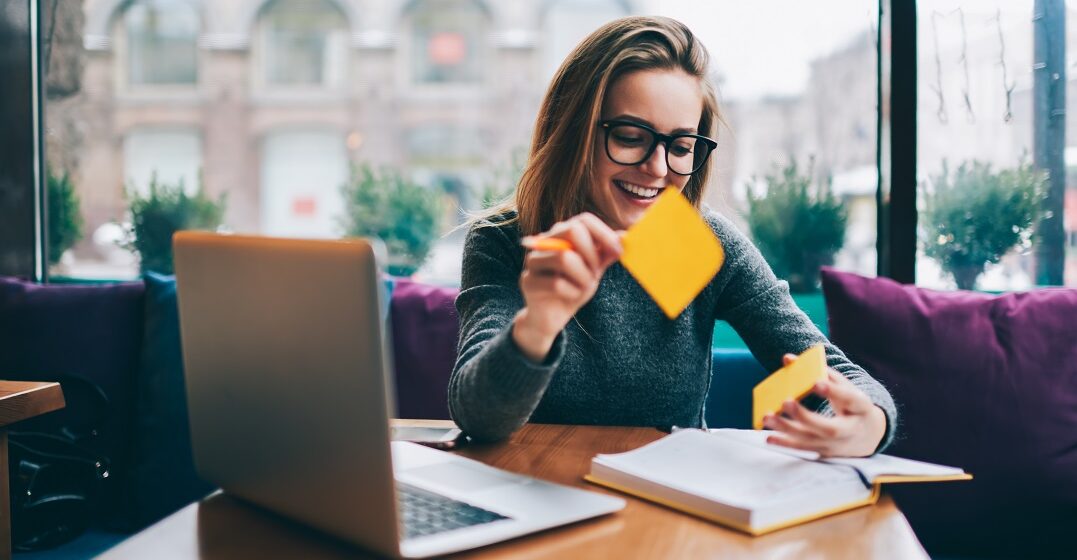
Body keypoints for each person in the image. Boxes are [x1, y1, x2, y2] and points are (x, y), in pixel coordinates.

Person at [449, 16, 895, 457]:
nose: (658, 169)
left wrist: (868, 422)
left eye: (681, 147)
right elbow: (478, 416)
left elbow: (827, 369)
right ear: (572, 132)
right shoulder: (507, 241)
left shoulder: (701, 244)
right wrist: (538, 323)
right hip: (537, 496)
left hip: (668, 507)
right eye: (629, 137)